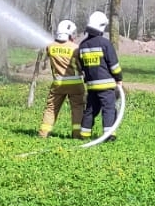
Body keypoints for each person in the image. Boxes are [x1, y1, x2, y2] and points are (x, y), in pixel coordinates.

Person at [76, 10, 123, 140]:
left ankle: (84, 134)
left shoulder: (82, 45)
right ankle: (109, 135)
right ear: (102, 26)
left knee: (90, 110)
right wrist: (119, 78)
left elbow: (82, 66)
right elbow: (114, 66)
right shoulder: (105, 43)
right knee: (108, 109)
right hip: (106, 86)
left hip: (91, 86)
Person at [37, 20, 86, 137]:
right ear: (70, 34)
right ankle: (77, 134)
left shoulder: (50, 47)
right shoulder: (76, 48)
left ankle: (43, 133)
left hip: (58, 84)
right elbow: (81, 65)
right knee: (77, 108)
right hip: (76, 84)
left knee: (51, 108)